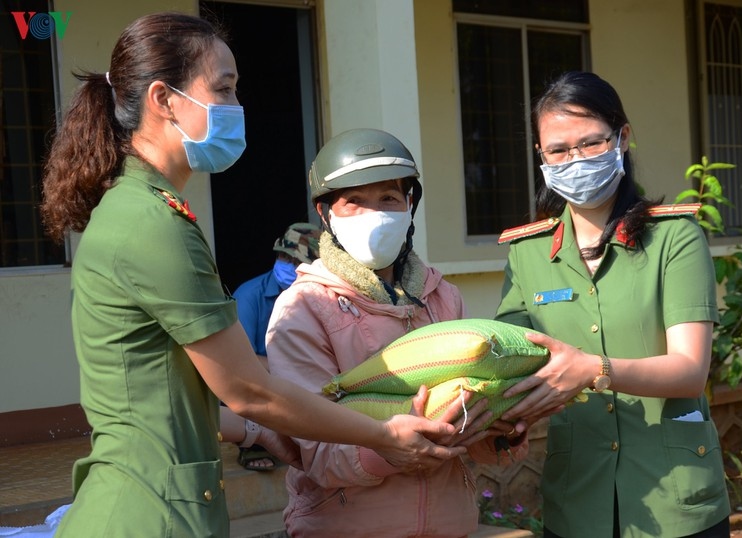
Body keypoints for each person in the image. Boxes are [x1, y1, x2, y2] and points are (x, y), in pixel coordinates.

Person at [39, 13, 463, 537]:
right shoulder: (151, 224)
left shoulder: (146, 210)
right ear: (164, 99)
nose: (237, 108)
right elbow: (250, 392)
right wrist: (383, 434)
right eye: (223, 89)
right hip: (148, 513)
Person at [494, 71, 731, 537]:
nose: (575, 160)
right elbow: (515, 362)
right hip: (577, 497)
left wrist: (592, 369)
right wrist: (503, 414)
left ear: (622, 138)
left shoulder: (673, 238)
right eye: (558, 150)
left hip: (676, 500)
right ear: (541, 157)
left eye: (591, 143)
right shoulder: (527, 252)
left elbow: (689, 370)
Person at [265, 128, 529, 538]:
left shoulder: (444, 299)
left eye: (388, 198)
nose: (375, 213)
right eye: (354, 202)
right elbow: (315, 449)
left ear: (410, 204)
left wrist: (496, 432)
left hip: (448, 525)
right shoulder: (303, 310)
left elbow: (462, 428)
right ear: (326, 213)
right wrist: (389, 449)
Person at [231, 222, 321, 471]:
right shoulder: (249, 297)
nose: (286, 264)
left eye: (295, 260)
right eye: (283, 256)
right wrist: (291, 371)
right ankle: (253, 443)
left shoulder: (321, 299)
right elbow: (237, 362)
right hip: (262, 385)